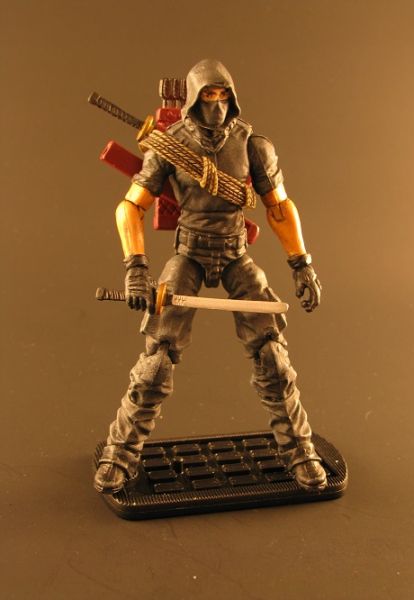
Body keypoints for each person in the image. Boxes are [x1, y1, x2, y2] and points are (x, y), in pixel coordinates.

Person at [94, 58, 327, 494]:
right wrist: (136, 268)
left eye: (223, 96)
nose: (217, 106)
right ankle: (120, 453)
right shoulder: (170, 144)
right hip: (190, 254)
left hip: (236, 254)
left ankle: (300, 451)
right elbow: (130, 206)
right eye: (208, 96)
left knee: (273, 358)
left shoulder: (253, 145)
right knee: (156, 362)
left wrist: (302, 264)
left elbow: (278, 207)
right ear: (194, 100)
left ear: (232, 98)